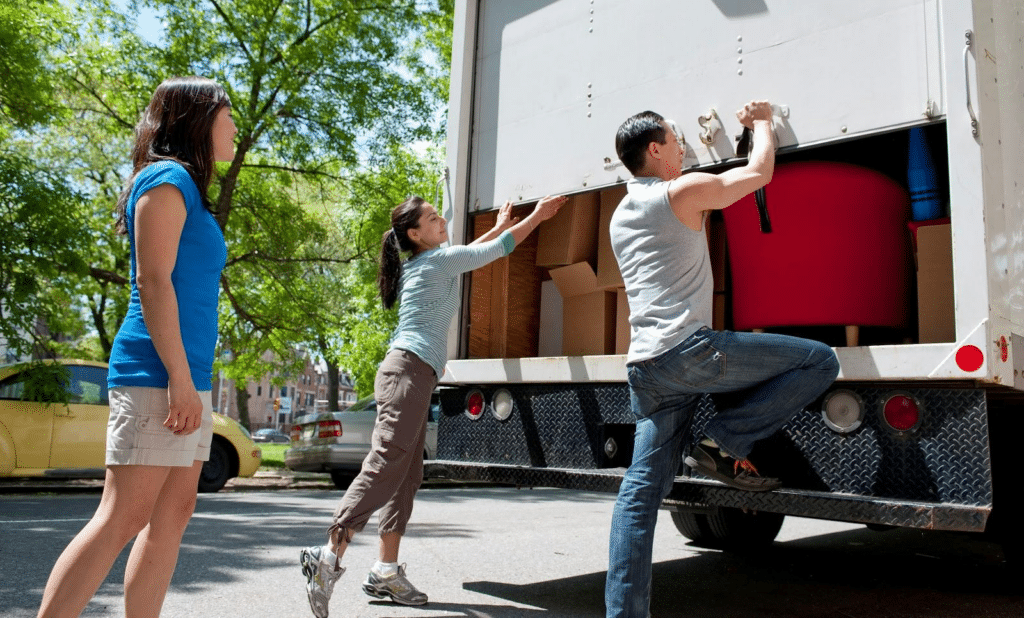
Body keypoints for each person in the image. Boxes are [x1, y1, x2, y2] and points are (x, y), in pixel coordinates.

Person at [604, 102, 840, 618]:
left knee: (639, 495)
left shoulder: (621, 213)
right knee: (820, 361)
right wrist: (760, 123)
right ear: (655, 149)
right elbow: (759, 174)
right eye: (675, 137)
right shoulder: (680, 192)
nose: (684, 144)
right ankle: (725, 441)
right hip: (690, 352)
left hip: (645, 368)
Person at [299, 192, 567, 617]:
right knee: (387, 463)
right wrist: (538, 216)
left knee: (407, 473)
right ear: (414, 233)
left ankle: (385, 570)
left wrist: (499, 224)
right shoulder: (437, 263)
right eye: (432, 217)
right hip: (407, 372)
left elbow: (479, 250)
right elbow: (498, 250)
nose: (441, 218)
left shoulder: (430, 262)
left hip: (414, 374)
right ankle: (328, 554)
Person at [36, 76, 236, 618]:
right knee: (121, 515)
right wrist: (176, 378)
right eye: (227, 113)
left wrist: (190, 380)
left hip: (184, 374)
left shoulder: (189, 189)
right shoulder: (166, 179)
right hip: (156, 373)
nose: (235, 125)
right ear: (196, 119)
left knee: (173, 516)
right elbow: (153, 281)